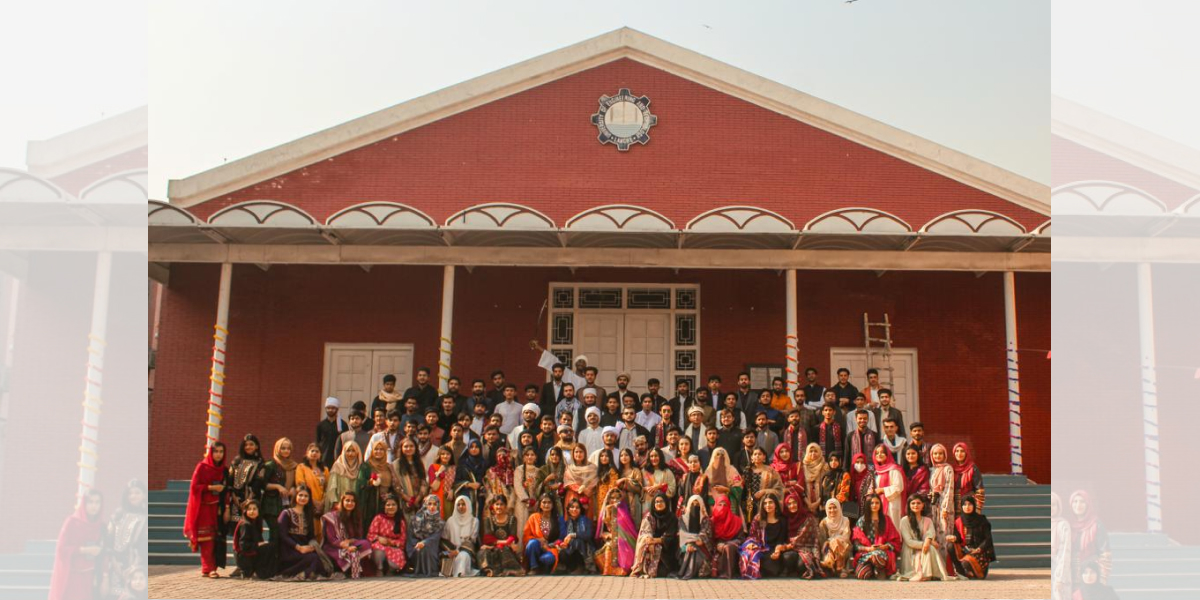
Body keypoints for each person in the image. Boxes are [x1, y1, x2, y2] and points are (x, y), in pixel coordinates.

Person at [48, 489, 103, 600]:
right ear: (84, 504)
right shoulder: (72, 522)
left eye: (97, 502)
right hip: (73, 575)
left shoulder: (101, 526)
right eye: (90, 502)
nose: (94, 506)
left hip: (91, 577)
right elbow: (61, 549)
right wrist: (85, 550)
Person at [183, 443, 227, 578]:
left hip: (218, 508)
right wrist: (211, 488)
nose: (218, 454)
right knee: (206, 538)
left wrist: (226, 507)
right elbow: (194, 487)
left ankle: (210, 567)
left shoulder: (224, 469)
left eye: (221, 452)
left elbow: (227, 490)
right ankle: (209, 568)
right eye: (216, 451)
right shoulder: (202, 467)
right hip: (204, 507)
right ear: (210, 453)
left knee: (216, 538)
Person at [97, 480, 147, 598]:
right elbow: (108, 538)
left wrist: (135, 565)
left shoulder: (146, 516)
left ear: (144, 495)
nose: (133, 496)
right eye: (130, 493)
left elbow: (144, 544)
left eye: (137, 493)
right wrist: (113, 561)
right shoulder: (118, 514)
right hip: (114, 563)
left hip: (136, 564)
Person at [276, 485, 335, 581]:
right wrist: (298, 547)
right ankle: (303, 574)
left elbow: (310, 536)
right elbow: (283, 535)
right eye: (300, 495)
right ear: (295, 496)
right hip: (289, 549)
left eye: (306, 496)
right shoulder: (286, 513)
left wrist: (312, 546)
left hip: (304, 549)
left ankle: (305, 573)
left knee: (319, 558)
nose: (303, 498)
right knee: (314, 559)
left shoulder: (308, 515)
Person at [895, 495, 953, 581]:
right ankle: (925, 574)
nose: (916, 505)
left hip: (925, 548)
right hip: (910, 551)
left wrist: (928, 541)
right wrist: (926, 543)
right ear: (909, 505)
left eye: (918, 503)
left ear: (923, 505)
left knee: (930, 548)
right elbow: (909, 542)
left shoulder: (928, 520)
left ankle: (928, 574)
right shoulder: (904, 520)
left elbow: (931, 534)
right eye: (913, 503)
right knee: (930, 547)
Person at [322, 491, 373, 579]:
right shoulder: (332, 517)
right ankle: (347, 567)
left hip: (351, 544)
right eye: (347, 500)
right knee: (351, 552)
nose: (350, 503)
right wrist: (346, 547)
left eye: (353, 501)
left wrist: (350, 542)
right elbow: (331, 539)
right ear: (342, 502)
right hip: (334, 547)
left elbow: (358, 537)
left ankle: (351, 566)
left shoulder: (356, 516)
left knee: (366, 543)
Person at [851, 495, 900, 580]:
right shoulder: (862, 521)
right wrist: (869, 549)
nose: (874, 505)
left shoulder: (886, 520)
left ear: (880, 504)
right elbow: (856, 545)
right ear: (868, 505)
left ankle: (879, 569)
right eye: (872, 503)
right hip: (866, 554)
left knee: (876, 556)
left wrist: (884, 546)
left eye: (877, 503)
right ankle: (873, 569)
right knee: (862, 574)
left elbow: (895, 541)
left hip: (882, 553)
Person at [1068, 489, 1110, 588]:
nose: (1078, 505)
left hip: (1090, 573)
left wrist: (1103, 578)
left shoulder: (1096, 524)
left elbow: (1105, 553)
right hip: (1070, 573)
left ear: (1088, 504)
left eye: (1082, 501)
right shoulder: (1067, 525)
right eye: (1075, 501)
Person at [631, 493, 679, 578]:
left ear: (666, 503)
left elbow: (670, 536)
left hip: (667, 550)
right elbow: (644, 533)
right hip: (652, 548)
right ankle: (643, 568)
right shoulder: (649, 517)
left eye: (661, 501)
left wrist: (654, 541)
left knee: (663, 572)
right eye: (657, 502)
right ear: (653, 504)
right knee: (645, 544)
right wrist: (649, 541)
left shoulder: (672, 517)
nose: (659, 504)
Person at [948, 496, 995, 579]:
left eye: (970, 504)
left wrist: (978, 549)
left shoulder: (982, 520)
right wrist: (954, 538)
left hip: (979, 552)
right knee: (950, 546)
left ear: (974, 505)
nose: (967, 507)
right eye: (965, 504)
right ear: (961, 506)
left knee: (966, 563)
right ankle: (961, 572)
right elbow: (958, 538)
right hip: (966, 550)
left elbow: (988, 539)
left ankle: (975, 572)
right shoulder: (958, 521)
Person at [478, 495, 524, 577]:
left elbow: (512, 537)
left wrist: (505, 543)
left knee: (503, 550)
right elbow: (488, 539)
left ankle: (510, 570)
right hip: (494, 547)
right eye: (497, 504)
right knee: (483, 552)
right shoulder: (488, 520)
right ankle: (490, 571)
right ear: (493, 506)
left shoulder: (512, 519)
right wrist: (505, 542)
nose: (499, 507)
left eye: (501, 504)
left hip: (507, 548)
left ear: (505, 506)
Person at [593, 487, 636, 576]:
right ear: (608, 499)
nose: (615, 500)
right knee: (609, 547)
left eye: (617, 498)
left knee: (621, 543)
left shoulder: (624, 510)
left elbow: (629, 529)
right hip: (610, 538)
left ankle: (623, 568)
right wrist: (608, 511)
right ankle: (610, 570)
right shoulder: (605, 511)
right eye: (612, 498)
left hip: (625, 539)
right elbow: (601, 532)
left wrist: (619, 537)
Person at [232, 499, 276, 579]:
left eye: (254, 509)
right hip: (244, 556)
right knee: (269, 548)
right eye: (249, 509)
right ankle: (257, 572)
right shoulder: (245, 524)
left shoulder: (255, 522)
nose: (252, 511)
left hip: (250, 552)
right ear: (245, 511)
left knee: (272, 546)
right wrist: (258, 544)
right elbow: (243, 546)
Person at [363, 439, 404, 526]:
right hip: (371, 501)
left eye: (381, 449)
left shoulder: (389, 466)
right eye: (376, 449)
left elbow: (395, 483)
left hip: (387, 502)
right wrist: (371, 482)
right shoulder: (367, 465)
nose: (378, 451)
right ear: (372, 451)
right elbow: (362, 483)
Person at [225, 434, 265, 523]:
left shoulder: (260, 463)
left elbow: (258, 483)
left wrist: (248, 500)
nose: (248, 447)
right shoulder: (236, 461)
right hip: (235, 500)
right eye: (246, 445)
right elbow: (230, 480)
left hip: (252, 501)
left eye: (251, 444)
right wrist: (234, 497)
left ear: (256, 446)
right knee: (235, 526)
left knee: (251, 525)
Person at [784, 492, 823, 579]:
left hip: (807, 548)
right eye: (789, 504)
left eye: (794, 502)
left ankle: (801, 571)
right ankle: (792, 572)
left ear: (799, 503)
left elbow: (802, 538)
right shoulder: (787, 518)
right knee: (787, 557)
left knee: (801, 565)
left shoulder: (808, 517)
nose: (792, 506)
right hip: (792, 548)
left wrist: (786, 546)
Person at [675, 495, 713, 580]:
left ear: (702, 505)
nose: (695, 506)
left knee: (694, 549)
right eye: (693, 504)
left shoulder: (705, 519)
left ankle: (688, 572)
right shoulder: (683, 519)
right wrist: (688, 544)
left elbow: (706, 532)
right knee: (690, 548)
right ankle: (690, 572)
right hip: (684, 547)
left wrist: (700, 539)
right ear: (689, 505)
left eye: (698, 504)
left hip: (702, 546)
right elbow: (683, 534)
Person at [367, 495, 407, 575]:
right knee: (379, 551)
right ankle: (379, 569)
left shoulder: (400, 521)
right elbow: (370, 534)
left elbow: (402, 540)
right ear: (384, 507)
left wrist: (390, 542)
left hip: (393, 547)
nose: (391, 507)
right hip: (379, 545)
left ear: (397, 507)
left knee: (398, 554)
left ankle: (391, 570)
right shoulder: (378, 518)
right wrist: (379, 538)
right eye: (388, 505)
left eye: (393, 505)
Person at [440, 495, 480, 577]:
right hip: (451, 551)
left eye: (463, 504)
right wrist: (450, 551)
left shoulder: (474, 521)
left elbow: (472, 541)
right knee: (443, 555)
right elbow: (444, 539)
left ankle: (460, 574)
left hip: (467, 551)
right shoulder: (450, 521)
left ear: (468, 505)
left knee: (463, 556)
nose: (461, 507)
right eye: (458, 504)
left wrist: (458, 551)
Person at [556, 498, 597, 574]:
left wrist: (573, 535)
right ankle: (570, 568)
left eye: (577, 507)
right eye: (572, 507)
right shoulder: (566, 522)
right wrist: (562, 543)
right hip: (570, 549)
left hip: (584, 548)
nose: (574, 509)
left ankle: (581, 567)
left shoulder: (586, 520)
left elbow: (588, 535)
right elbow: (562, 537)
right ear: (568, 509)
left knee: (577, 541)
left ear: (580, 510)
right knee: (562, 552)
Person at [871, 444, 906, 533]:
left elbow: (899, 487)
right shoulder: (875, 471)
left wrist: (882, 490)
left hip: (892, 503)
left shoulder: (894, 469)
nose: (879, 454)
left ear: (887, 454)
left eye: (882, 452)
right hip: (878, 504)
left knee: (893, 527)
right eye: (877, 453)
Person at [407, 495, 444, 577]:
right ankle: (418, 570)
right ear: (425, 505)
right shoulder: (415, 520)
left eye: (435, 504)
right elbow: (411, 536)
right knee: (419, 549)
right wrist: (417, 543)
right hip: (416, 545)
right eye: (429, 504)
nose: (432, 507)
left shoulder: (440, 522)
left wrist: (424, 543)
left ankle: (430, 570)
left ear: (438, 505)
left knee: (427, 548)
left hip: (432, 547)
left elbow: (435, 538)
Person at [524, 494, 561, 574]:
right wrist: (538, 540)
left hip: (550, 548)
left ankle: (544, 569)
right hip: (535, 548)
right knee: (532, 543)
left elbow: (561, 537)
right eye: (544, 502)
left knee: (548, 558)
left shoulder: (558, 519)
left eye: (549, 502)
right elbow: (526, 536)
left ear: (553, 505)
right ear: (540, 504)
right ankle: (534, 568)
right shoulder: (533, 517)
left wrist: (549, 545)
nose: (546, 505)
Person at [325, 441, 364, 515]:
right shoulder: (337, 466)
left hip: (355, 508)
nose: (350, 454)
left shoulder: (361, 467)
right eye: (348, 451)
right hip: (339, 507)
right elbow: (332, 488)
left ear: (357, 452)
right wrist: (336, 503)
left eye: (353, 451)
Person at [744, 446, 783, 520]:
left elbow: (780, 489)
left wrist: (764, 491)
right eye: (755, 454)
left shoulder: (771, 471)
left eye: (760, 454)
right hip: (749, 506)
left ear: (764, 456)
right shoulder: (747, 471)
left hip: (766, 505)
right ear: (751, 457)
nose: (757, 456)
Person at [819, 498, 853, 578]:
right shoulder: (824, 522)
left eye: (835, 507)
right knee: (834, 543)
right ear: (827, 509)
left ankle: (829, 562)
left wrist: (834, 541)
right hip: (828, 548)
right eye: (830, 508)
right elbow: (822, 540)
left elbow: (846, 536)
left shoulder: (845, 520)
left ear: (839, 507)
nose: (832, 510)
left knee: (837, 542)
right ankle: (840, 568)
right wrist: (832, 543)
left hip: (845, 546)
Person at [563, 444, 599, 519]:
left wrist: (586, 489)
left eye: (581, 452)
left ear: (585, 453)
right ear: (573, 454)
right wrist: (580, 489)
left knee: (587, 520)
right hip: (573, 495)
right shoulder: (569, 468)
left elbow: (594, 481)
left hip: (587, 496)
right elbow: (568, 483)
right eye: (576, 452)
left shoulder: (592, 467)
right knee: (572, 519)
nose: (578, 454)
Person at [454, 439, 488, 517]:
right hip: (466, 495)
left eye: (476, 447)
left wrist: (482, 486)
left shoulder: (485, 463)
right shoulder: (462, 464)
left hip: (481, 497)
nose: (474, 449)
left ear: (480, 448)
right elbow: (456, 481)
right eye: (471, 447)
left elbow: (488, 479)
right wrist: (469, 484)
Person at [952, 442, 986, 514]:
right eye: (957, 451)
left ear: (966, 453)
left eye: (962, 451)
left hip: (969, 505)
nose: (959, 454)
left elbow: (979, 490)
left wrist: (978, 509)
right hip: (954, 507)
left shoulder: (973, 468)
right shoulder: (951, 469)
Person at [641, 448, 677, 515]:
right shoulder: (644, 471)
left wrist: (659, 487)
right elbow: (639, 487)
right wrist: (646, 489)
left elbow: (672, 489)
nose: (654, 458)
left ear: (660, 457)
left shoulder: (667, 472)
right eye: (651, 456)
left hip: (662, 504)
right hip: (647, 503)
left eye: (656, 456)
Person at [1050, 492, 1072, 600]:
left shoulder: (1063, 525)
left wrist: (1060, 577)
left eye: (1053, 505)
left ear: (1058, 507)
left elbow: (1065, 551)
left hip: (1059, 567)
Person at [295, 442, 329, 512]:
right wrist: (313, 501)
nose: (314, 453)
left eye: (317, 451)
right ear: (307, 453)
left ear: (320, 454)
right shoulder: (301, 467)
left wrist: (322, 502)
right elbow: (301, 485)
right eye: (312, 451)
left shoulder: (325, 470)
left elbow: (328, 488)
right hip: (306, 502)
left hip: (322, 504)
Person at [316, 396, 349, 468]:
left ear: (337, 409)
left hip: (338, 458)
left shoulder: (343, 425)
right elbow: (318, 442)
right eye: (328, 408)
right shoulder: (321, 425)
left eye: (333, 408)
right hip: (323, 458)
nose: (330, 410)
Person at [485, 446, 517, 516]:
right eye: (499, 456)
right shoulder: (491, 471)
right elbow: (488, 488)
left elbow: (514, 490)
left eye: (504, 456)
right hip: (494, 503)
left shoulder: (511, 472)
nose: (501, 458)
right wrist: (491, 501)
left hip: (509, 505)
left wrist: (510, 504)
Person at [427, 444, 457, 519]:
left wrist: (453, 490)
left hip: (450, 499)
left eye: (448, 454)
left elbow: (457, 483)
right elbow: (434, 487)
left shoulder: (455, 468)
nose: (445, 456)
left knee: (449, 520)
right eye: (443, 454)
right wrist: (440, 472)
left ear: (451, 456)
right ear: (439, 455)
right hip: (437, 499)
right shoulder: (433, 467)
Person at [800, 443, 828, 516]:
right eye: (811, 451)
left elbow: (827, 486)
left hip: (822, 503)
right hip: (806, 503)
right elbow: (800, 487)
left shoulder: (825, 466)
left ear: (820, 452)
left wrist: (818, 502)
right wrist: (808, 503)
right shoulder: (802, 467)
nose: (813, 453)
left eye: (815, 451)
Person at [536, 446, 567, 515]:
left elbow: (569, 484)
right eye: (552, 454)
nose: (554, 457)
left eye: (557, 455)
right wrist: (547, 479)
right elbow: (536, 487)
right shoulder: (543, 469)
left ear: (560, 456)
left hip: (562, 500)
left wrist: (560, 486)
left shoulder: (566, 470)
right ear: (549, 456)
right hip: (546, 501)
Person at [819, 453, 850, 518]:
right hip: (826, 508)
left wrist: (833, 505)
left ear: (840, 461)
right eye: (831, 460)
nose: (833, 462)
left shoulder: (844, 475)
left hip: (839, 508)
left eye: (836, 460)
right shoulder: (826, 476)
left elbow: (844, 493)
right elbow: (822, 493)